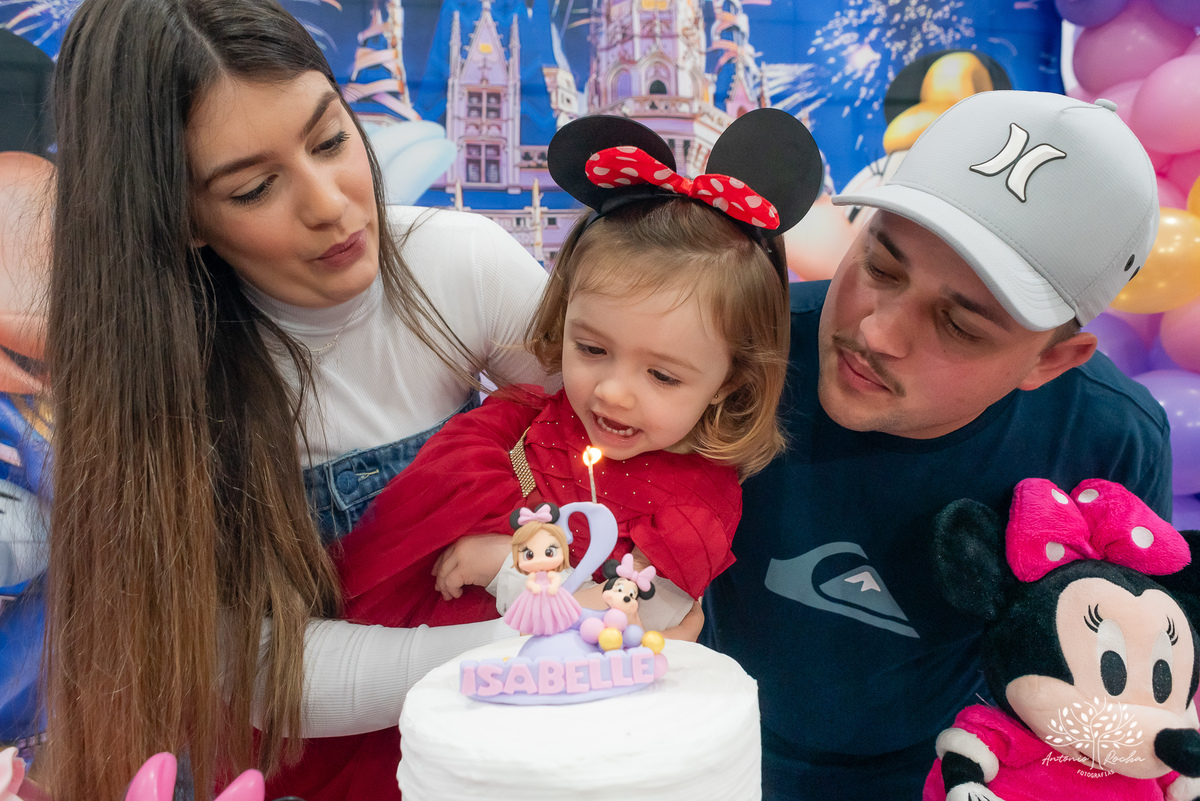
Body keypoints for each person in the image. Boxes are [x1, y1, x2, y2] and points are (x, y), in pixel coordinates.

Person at [42, 0, 554, 798]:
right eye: (254, 188)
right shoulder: (162, 389)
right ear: (181, 217)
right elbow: (262, 672)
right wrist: (527, 648)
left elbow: (620, 449)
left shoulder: (460, 262)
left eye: (331, 140)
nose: (330, 204)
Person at [272, 109, 820, 797]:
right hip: (399, 676)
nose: (613, 391)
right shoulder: (537, 413)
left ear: (730, 381)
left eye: (662, 375)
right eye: (591, 348)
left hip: (536, 727)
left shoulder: (695, 506)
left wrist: (505, 564)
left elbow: (632, 616)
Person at [702, 90, 1173, 800]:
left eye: (958, 326)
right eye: (881, 267)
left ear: (1050, 361)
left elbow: (1121, 683)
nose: (876, 332)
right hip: (717, 749)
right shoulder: (740, 350)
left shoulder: (1107, 440)